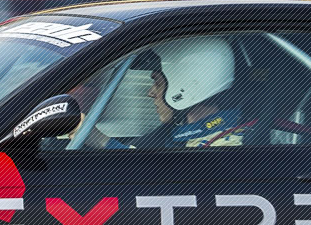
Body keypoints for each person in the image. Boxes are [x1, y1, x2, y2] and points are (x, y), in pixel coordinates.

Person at [90, 37, 252, 149]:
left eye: (157, 83)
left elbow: (152, 175)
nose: (150, 93)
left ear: (185, 86)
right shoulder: (184, 135)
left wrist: (95, 137)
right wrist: (90, 134)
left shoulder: (227, 145)